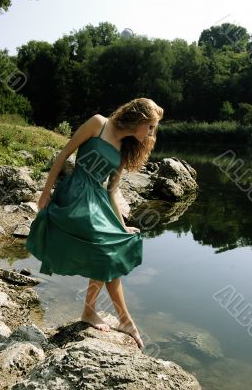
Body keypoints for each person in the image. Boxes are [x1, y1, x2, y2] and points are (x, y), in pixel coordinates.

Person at [25, 97, 164, 349]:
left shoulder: (123, 148)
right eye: (151, 127)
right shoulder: (98, 123)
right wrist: (45, 192)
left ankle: (94, 312)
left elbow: (112, 191)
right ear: (140, 120)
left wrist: (120, 226)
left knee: (113, 247)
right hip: (75, 195)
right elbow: (64, 154)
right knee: (106, 253)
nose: (152, 133)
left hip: (97, 201)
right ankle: (121, 318)